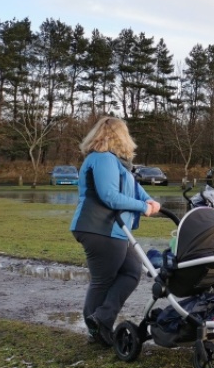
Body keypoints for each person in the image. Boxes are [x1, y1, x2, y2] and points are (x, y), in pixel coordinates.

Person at [69, 117, 161, 346]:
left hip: (115, 231)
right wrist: (143, 208)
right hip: (99, 228)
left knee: (131, 272)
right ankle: (97, 332)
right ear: (120, 136)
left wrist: (150, 201)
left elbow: (135, 188)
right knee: (103, 280)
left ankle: (101, 319)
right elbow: (109, 195)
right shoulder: (102, 159)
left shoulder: (119, 164)